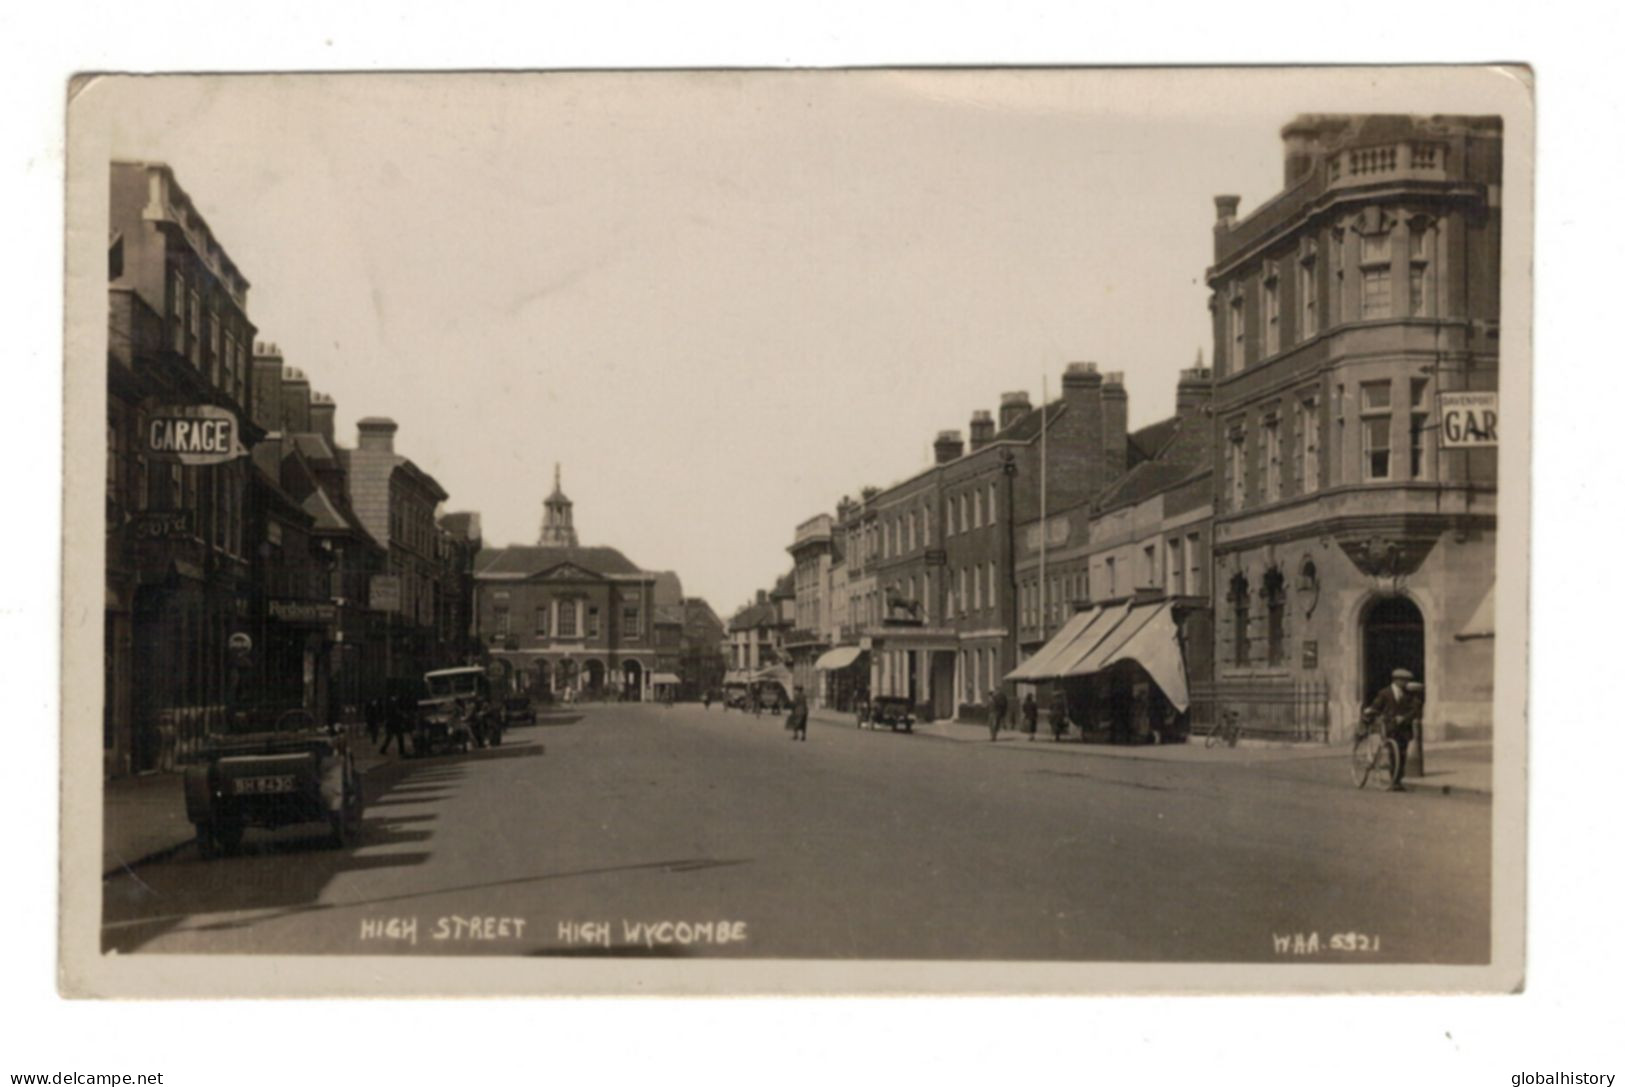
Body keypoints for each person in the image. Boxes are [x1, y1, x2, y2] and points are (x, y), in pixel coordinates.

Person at [1364, 668, 1424, 790]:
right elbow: (1377, 705)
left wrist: (1404, 718)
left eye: (1407, 681)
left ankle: (1398, 779)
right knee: (1392, 753)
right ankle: (1394, 781)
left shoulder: (1409, 694)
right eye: (1403, 681)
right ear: (1396, 680)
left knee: (1402, 754)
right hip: (1390, 727)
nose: (1406, 683)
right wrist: (1370, 710)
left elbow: (1415, 710)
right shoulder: (1385, 693)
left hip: (1404, 728)